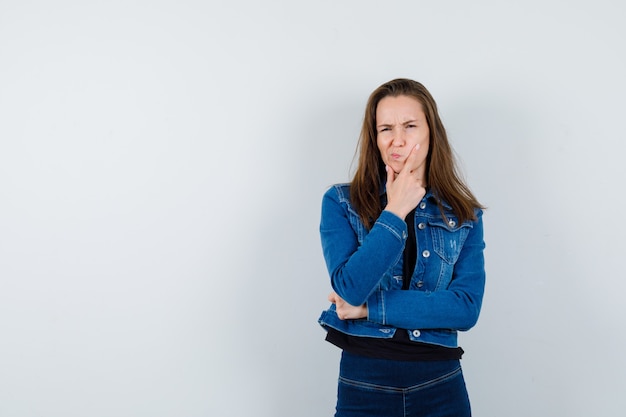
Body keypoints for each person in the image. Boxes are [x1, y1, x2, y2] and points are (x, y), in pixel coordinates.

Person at [318, 78, 486, 417]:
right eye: (386, 129)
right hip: (364, 383)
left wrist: (368, 309)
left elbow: (465, 309)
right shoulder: (341, 202)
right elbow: (350, 287)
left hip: (440, 384)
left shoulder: (464, 214)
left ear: (430, 132)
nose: (398, 140)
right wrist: (394, 211)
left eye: (410, 126)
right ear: (374, 138)